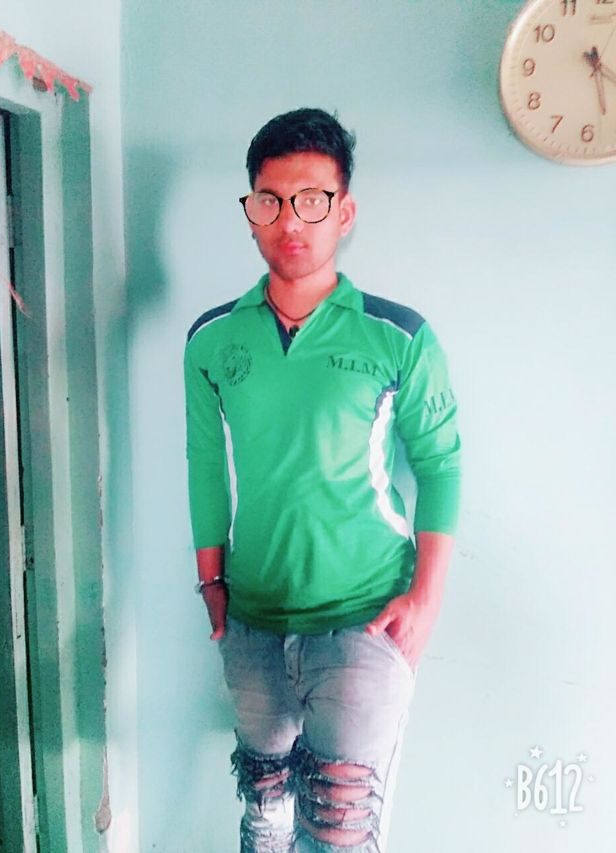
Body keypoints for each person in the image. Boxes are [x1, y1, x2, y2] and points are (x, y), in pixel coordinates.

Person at [184, 107, 461, 852]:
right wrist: (212, 581)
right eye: (269, 200)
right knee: (264, 815)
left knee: (339, 832)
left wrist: (426, 598)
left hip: (364, 619)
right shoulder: (212, 338)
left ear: (345, 212)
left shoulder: (398, 335)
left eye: (311, 200)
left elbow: (441, 464)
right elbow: (204, 462)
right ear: (250, 211)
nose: (289, 221)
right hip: (252, 619)